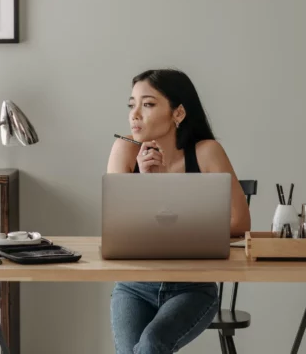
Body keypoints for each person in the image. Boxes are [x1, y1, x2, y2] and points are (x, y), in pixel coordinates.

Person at [107, 69, 251, 354]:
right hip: (134, 286)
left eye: (147, 104)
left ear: (179, 113)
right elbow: (117, 227)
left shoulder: (207, 152)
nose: (134, 114)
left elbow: (240, 222)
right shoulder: (124, 149)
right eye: (131, 104)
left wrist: (164, 187)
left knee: (150, 345)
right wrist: (147, 185)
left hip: (193, 287)